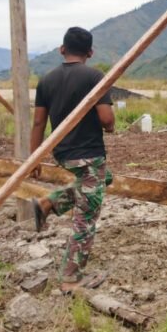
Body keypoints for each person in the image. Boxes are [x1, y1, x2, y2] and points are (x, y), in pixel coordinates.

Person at [30, 27, 114, 293]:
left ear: (62, 49)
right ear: (90, 52)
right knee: (86, 219)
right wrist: (110, 125)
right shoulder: (95, 77)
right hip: (88, 154)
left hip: (62, 153)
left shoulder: (46, 80)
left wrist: (34, 158)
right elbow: (106, 119)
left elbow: (38, 123)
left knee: (104, 179)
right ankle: (70, 279)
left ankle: (49, 202)